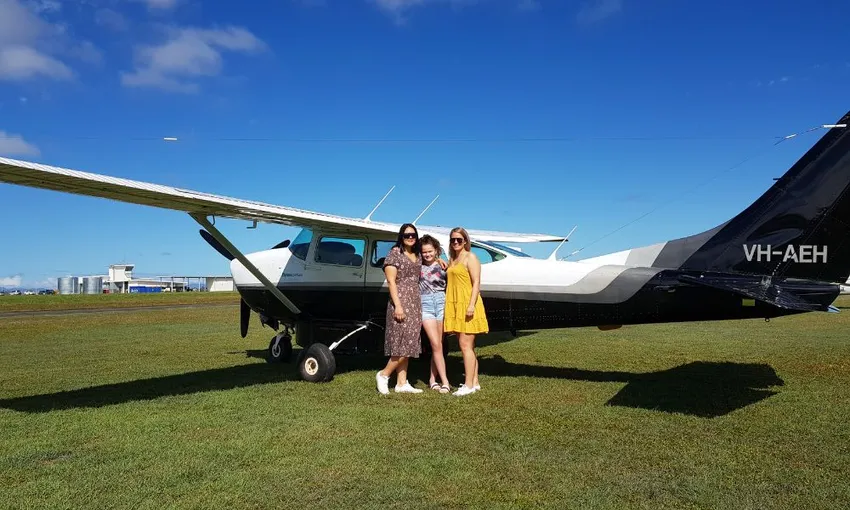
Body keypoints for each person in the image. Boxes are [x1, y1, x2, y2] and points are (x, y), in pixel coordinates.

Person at [376, 223, 424, 395]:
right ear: (401, 237)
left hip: (415, 301)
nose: (410, 238)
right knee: (403, 342)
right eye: (407, 235)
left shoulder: (417, 255)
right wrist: (398, 306)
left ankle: (402, 383)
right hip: (400, 301)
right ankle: (384, 374)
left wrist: (439, 259)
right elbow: (391, 281)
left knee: (410, 341)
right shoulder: (395, 253)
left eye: (413, 235)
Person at [443, 227, 489, 396]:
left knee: (465, 345)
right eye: (453, 240)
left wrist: (471, 305)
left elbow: (476, 282)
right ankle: (474, 382)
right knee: (468, 346)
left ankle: (468, 385)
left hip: (468, 304)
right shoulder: (453, 259)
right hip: (455, 305)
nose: (456, 242)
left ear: (465, 241)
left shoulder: (471, 257)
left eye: (459, 240)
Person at [419, 234, 451, 394]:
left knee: (439, 344)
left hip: (441, 302)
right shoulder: (417, 266)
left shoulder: (443, 266)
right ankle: (445, 381)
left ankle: (432, 379)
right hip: (425, 304)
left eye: (430, 251)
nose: (427, 254)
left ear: (436, 250)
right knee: (435, 345)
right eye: (424, 252)